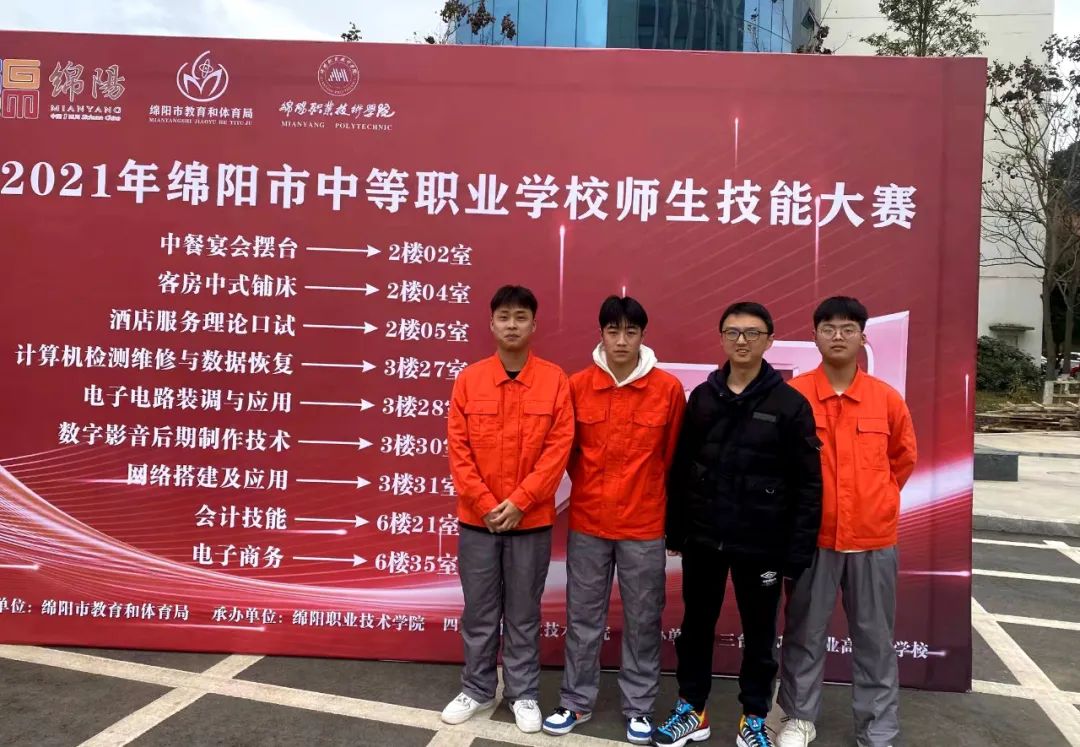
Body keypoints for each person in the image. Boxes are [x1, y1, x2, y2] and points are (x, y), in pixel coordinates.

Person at [655, 302, 823, 747]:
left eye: (752, 333)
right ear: (722, 338)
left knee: (761, 634)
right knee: (696, 626)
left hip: (763, 543)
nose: (742, 341)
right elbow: (682, 466)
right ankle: (693, 709)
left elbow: (808, 484)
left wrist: (798, 551)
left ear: (769, 340)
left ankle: (754, 718)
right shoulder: (703, 397)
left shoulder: (790, 404)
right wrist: (677, 529)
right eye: (732, 332)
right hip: (704, 537)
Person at [542, 295, 686, 744]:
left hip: (644, 524)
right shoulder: (577, 386)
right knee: (583, 617)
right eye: (613, 331)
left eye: (630, 332)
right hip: (589, 521)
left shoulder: (667, 389)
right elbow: (568, 454)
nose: (621, 340)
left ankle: (639, 707)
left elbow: (672, 459)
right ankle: (575, 701)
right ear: (601, 334)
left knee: (643, 619)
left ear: (643, 336)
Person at [776, 296, 917, 747]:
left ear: (862, 337)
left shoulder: (885, 399)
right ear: (814, 336)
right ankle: (798, 718)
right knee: (804, 633)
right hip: (812, 540)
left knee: (875, 640)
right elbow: (777, 464)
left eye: (848, 328)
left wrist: (876, 502)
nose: (838, 336)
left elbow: (902, 460)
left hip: (873, 539)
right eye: (829, 328)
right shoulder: (794, 397)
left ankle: (877, 729)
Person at [441, 285, 575, 734]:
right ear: (492, 324)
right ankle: (477, 688)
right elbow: (458, 450)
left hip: (530, 521)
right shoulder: (469, 379)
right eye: (504, 317)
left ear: (534, 325)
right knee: (479, 612)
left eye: (521, 317)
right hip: (476, 522)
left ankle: (523, 693)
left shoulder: (554, 381)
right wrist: (485, 504)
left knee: (523, 613)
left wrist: (520, 502)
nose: (512, 325)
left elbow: (558, 450)